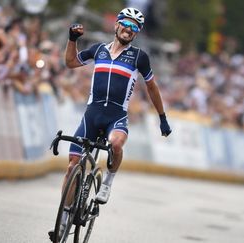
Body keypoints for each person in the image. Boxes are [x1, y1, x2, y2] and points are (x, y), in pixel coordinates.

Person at [52, 7, 172, 236]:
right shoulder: (98, 50)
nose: (129, 29)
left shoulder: (139, 57)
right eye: (126, 23)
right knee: (71, 167)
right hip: (91, 115)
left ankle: (107, 181)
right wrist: (72, 40)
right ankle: (65, 215)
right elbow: (70, 62)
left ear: (137, 33)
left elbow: (152, 87)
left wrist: (162, 117)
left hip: (116, 117)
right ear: (116, 24)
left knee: (116, 145)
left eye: (135, 27)